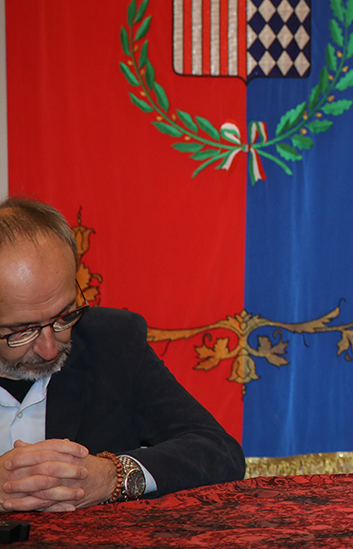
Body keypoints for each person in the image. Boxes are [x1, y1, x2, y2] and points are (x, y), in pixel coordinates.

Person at [0, 197, 245, 512]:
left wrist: (113, 476)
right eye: (22, 330)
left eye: (64, 315)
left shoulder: (112, 341)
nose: (49, 348)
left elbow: (218, 452)